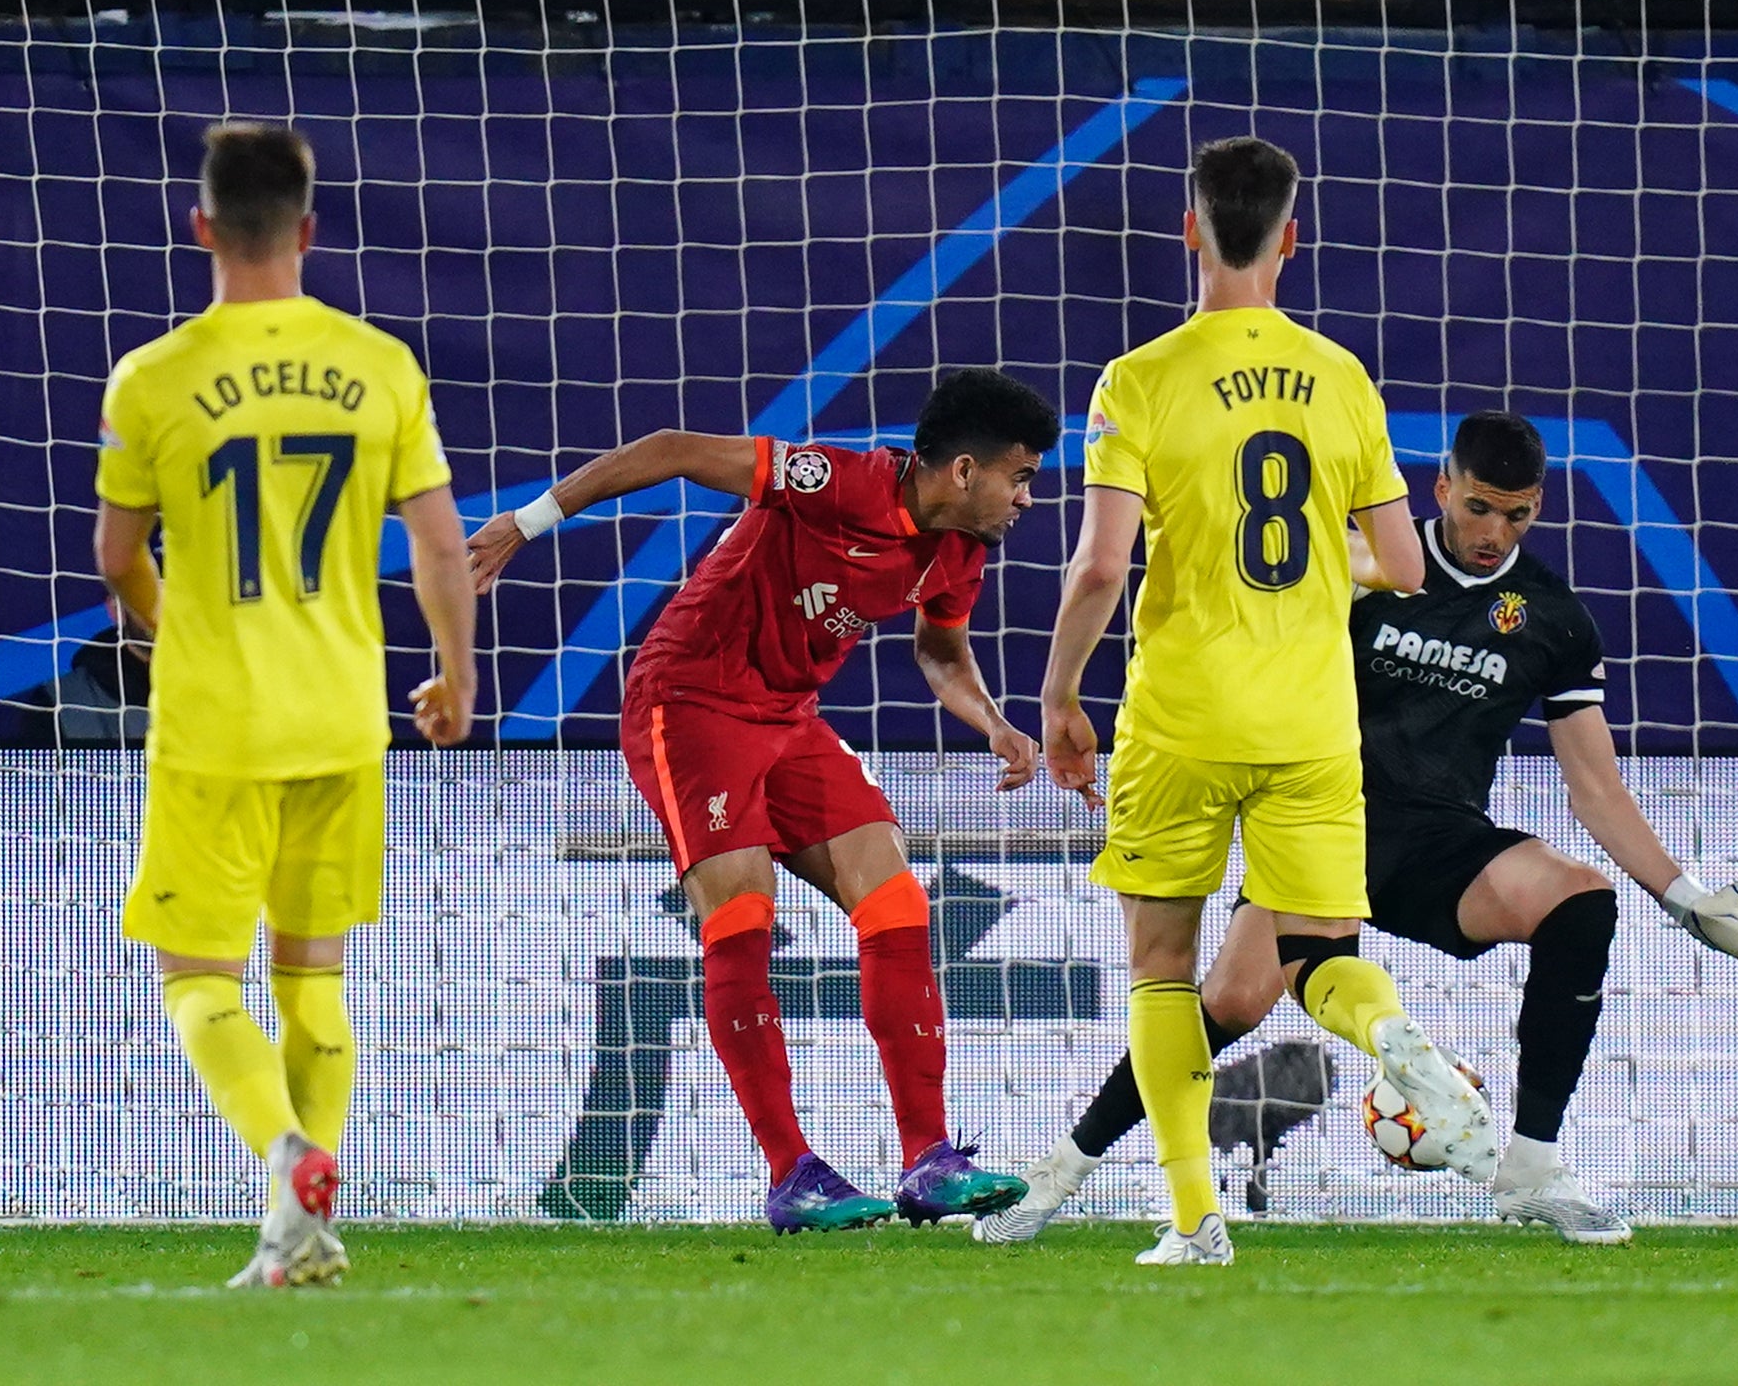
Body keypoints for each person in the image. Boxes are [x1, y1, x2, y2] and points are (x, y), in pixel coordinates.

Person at [985, 410, 1738, 1246]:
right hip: (1317, 815)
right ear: (1442, 487)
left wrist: (1687, 897)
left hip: (1436, 843)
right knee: (1227, 1002)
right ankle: (1059, 1178)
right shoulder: (1355, 563)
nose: (1494, 533)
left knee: (1583, 905)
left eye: (1517, 515)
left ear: (1539, 508)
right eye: (1480, 508)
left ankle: (1529, 1169)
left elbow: (1595, 788)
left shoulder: (1555, 619)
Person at [1039, 136, 1497, 1268]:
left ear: (1189, 230)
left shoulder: (1135, 380)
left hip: (1185, 718)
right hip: (1307, 722)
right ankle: (1392, 1032)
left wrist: (1058, 695)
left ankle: (1195, 1220)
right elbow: (1402, 562)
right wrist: (1295, 566)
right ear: (1292, 239)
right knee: (1321, 946)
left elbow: (1101, 568)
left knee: (1159, 965)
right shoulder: (1342, 378)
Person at [467, 368, 1056, 1232]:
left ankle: (929, 1160)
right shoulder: (839, 482)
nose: (1028, 498)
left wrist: (995, 724)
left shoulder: (960, 550)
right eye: (1022, 476)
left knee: (897, 904)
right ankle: (793, 1175)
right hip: (691, 700)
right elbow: (670, 452)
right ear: (963, 472)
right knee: (743, 916)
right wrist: (527, 522)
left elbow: (939, 652)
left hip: (789, 719)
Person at [94, 121, 477, 1287]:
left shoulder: (152, 378)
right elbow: (440, 541)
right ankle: (304, 1230)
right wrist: (457, 674)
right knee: (313, 978)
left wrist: (174, 627)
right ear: (309, 231)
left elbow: (117, 556)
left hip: (215, 718)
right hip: (341, 714)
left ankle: (286, 1154)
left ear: (201, 227)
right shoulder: (381, 365)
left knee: (196, 978)